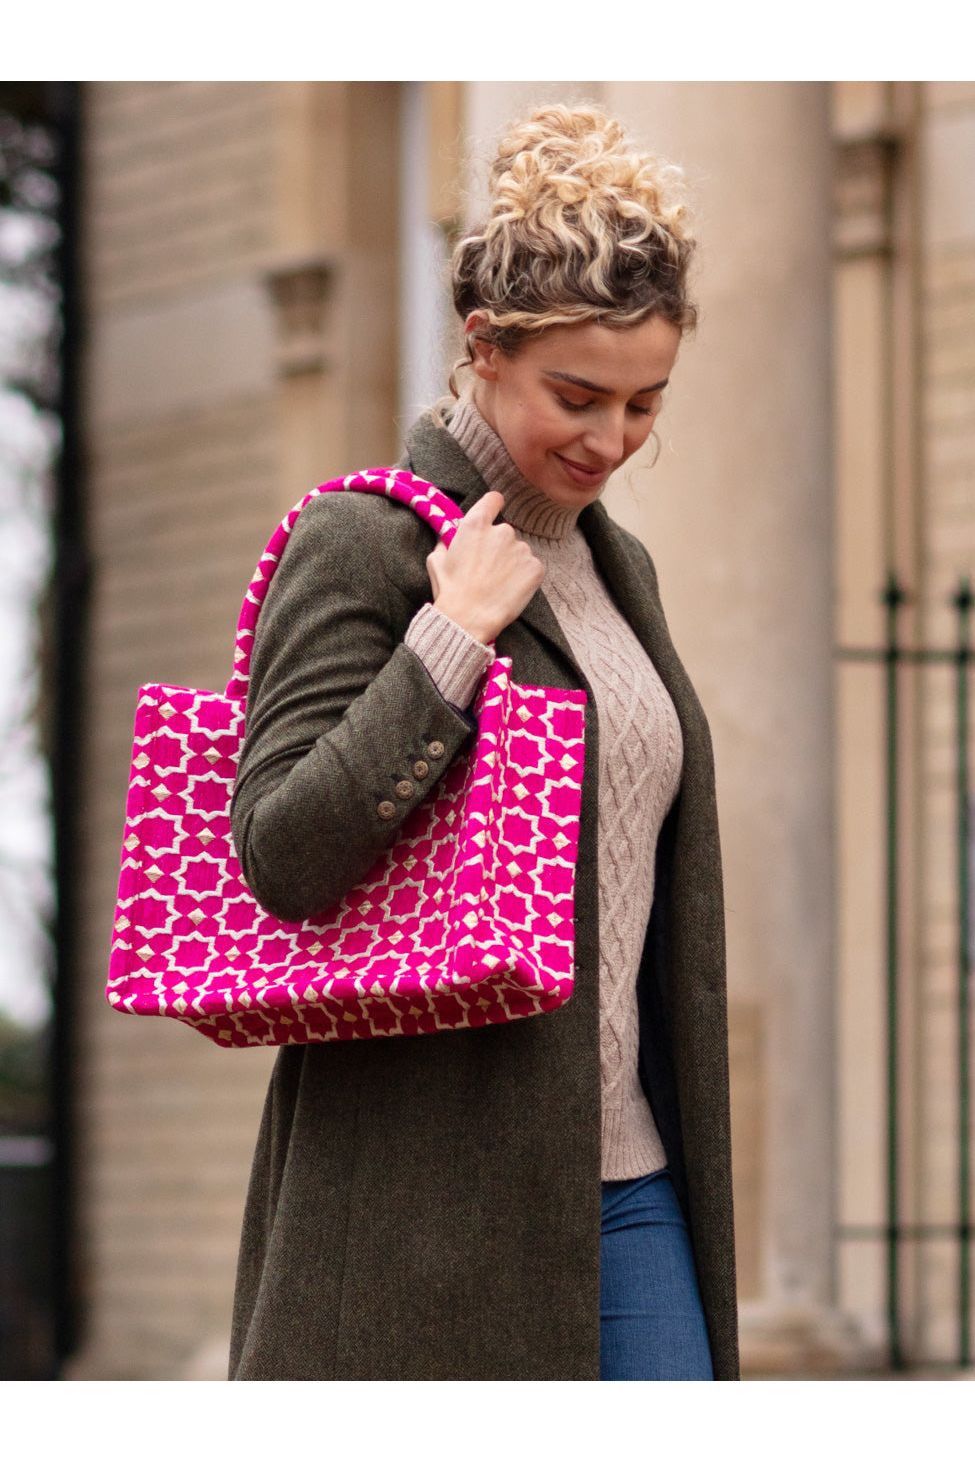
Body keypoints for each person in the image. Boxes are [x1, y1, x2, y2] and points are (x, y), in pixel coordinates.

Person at [227, 101, 739, 1381]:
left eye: (643, 403)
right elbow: (284, 854)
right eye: (576, 395)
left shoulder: (622, 573)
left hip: (634, 1180)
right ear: (483, 348)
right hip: (421, 1211)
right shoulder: (363, 542)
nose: (611, 441)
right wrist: (447, 641)